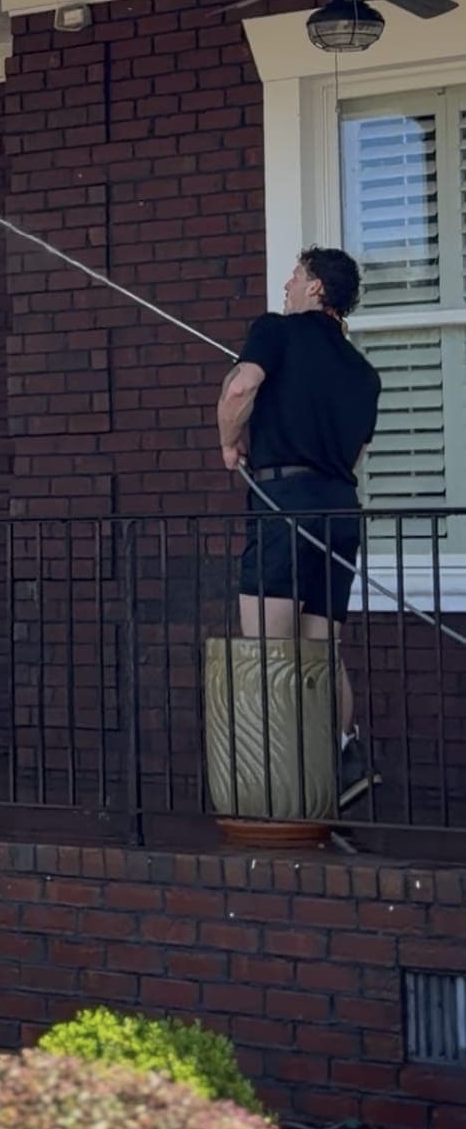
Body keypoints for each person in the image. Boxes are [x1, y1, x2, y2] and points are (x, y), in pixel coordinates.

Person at [216, 246, 381, 811]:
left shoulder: (276, 331)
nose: (286, 286)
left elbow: (240, 389)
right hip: (339, 509)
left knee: (269, 649)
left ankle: (278, 783)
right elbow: (356, 454)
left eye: (295, 277)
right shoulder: (363, 373)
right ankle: (341, 757)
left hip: (284, 505)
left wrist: (229, 442)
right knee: (321, 649)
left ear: (316, 288)